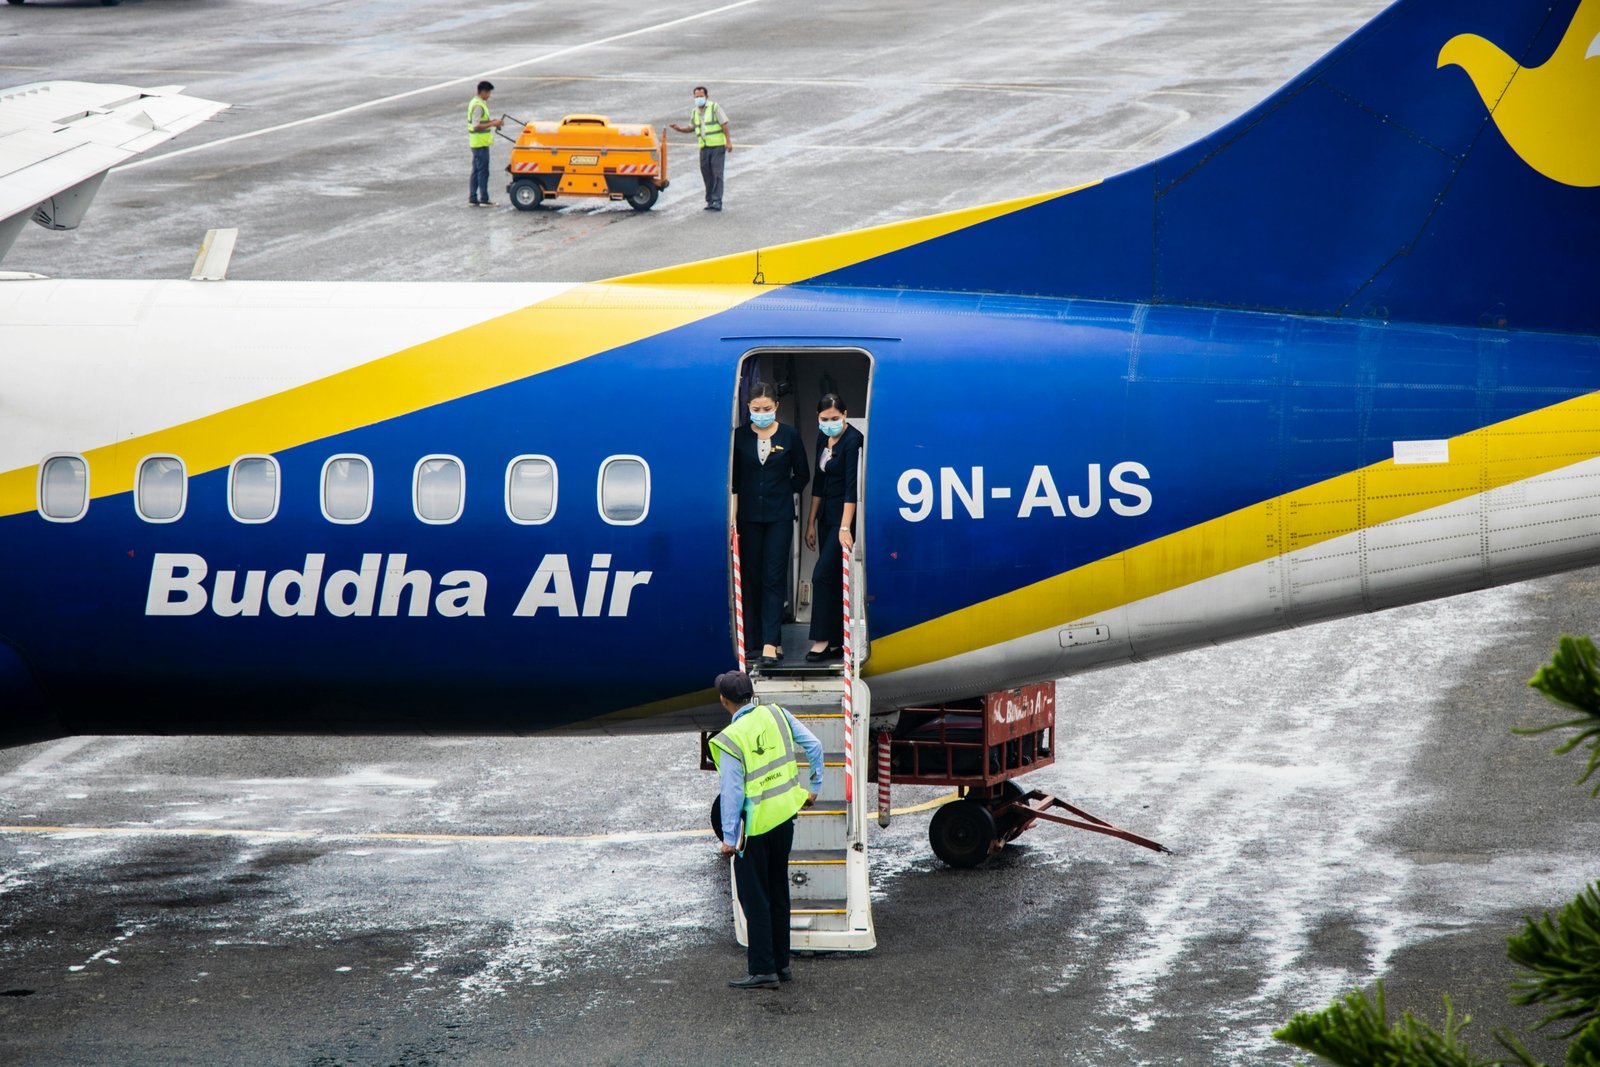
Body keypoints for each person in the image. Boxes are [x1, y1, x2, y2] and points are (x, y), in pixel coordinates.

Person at [708, 670, 823, 989]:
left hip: (755, 828)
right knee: (778, 891)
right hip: (785, 817)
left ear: (724, 700)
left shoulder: (730, 739)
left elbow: (732, 794)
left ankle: (763, 969)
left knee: (755, 897)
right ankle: (782, 964)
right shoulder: (777, 714)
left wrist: (730, 839)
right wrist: (814, 786)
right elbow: (813, 746)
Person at [731, 382, 809, 667]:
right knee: (751, 578)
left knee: (773, 577)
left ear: (776, 406)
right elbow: (735, 482)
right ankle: (752, 640)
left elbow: (802, 474)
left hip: (779, 516)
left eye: (766, 409)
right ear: (748, 409)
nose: (761, 413)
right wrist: (733, 522)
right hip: (748, 518)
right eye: (755, 409)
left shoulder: (789, 435)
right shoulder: (739, 437)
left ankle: (770, 642)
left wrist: (782, 491)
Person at [803, 394, 864, 661]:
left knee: (820, 575)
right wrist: (810, 522)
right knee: (832, 579)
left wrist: (845, 527)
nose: (829, 423)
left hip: (843, 517)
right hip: (824, 515)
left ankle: (822, 640)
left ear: (845, 414)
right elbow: (818, 482)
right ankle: (838, 641)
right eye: (824, 419)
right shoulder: (822, 438)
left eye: (834, 419)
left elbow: (852, 487)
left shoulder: (853, 440)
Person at [669, 86, 731, 211]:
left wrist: (728, 141)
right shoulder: (695, 112)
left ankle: (717, 201)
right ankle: (710, 201)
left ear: (706, 97)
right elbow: (691, 127)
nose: (698, 99)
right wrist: (679, 129)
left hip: (717, 146)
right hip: (704, 147)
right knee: (706, 174)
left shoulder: (714, 107)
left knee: (717, 174)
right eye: (696, 97)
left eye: (701, 96)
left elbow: (724, 124)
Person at [467, 81, 504, 207]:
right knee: (483, 171)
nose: (489, 95)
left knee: (476, 171)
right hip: (480, 143)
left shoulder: (476, 102)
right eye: (488, 93)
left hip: (477, 142)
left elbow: (482, 122)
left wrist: (493, 121)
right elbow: (476, 125)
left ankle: (473, 198)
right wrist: (493, 124)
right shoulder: (478, 106)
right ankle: (484, 199)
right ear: (483, 92)